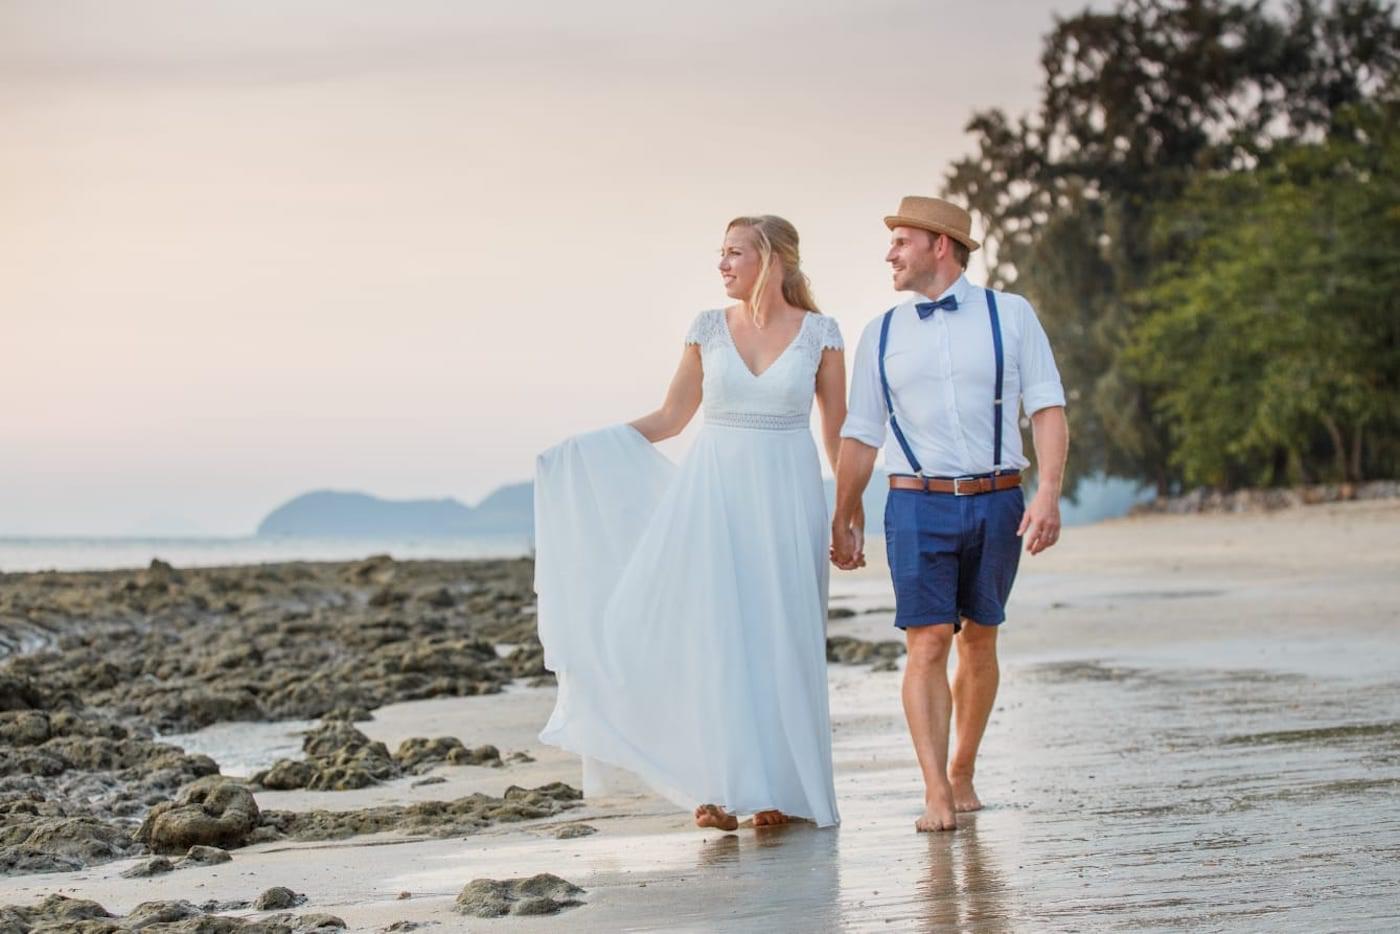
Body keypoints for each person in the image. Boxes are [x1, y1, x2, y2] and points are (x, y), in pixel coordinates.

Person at [534, 215, 847, 830]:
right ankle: (718, 786)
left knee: (782, 635)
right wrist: (585, 449)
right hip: (715, 498)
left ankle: (779, 791)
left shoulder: (822, 334)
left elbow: (839, 439)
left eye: (735, 253)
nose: (723, 264)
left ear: (772, 260)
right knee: (716, 635)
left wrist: (847, 516)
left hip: (788, 499)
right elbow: (672, 418)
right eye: (721, 254)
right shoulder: (708, 329)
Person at [830, 196, 1068, 832]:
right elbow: (861, 432)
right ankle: (935, 788)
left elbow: (1046, 406)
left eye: (901, 241)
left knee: (981, 638)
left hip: (997, 500)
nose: (890, 254)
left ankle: (963, 767)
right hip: (914, 502)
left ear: (940, 243)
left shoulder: (1010, 315)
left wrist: (1047, 492)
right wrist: (843, 511)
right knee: (928, 641)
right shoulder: (880, 331)